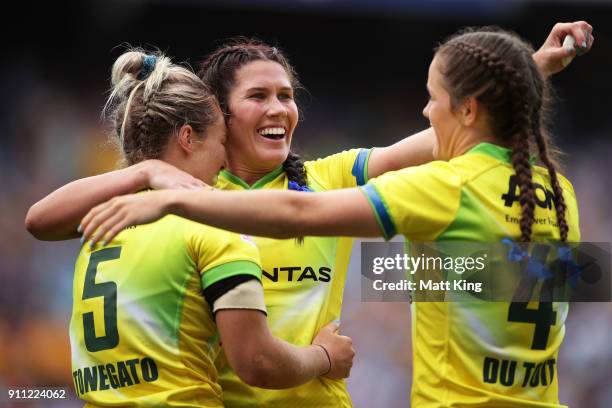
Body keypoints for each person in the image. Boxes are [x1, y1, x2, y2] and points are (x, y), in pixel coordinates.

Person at [26, 21, 592, 407]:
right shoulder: (187, 191)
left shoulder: (326, 177)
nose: (280, 108)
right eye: (259, 96)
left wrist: (527, 71)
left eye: (287, 94)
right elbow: (43, 220)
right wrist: (146, 172)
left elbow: (444, 133)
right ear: (218, 117)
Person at [59, 48, 354, 406]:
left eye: (286, 95)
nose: (223, 158)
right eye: (220, 141)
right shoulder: (214, 226)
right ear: (187, 138)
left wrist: (141, 172)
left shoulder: (106, 218)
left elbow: (37, 220)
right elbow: (256, 361)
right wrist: (325, 357)